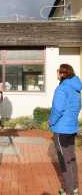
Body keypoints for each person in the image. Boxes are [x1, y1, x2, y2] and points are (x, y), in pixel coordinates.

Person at [49, 64, 82, 195]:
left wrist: (51, 121)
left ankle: (69, 191)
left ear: (63, 73)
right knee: (71, 159)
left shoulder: (61, 89)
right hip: (71, 128)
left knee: (64, 162)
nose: (56, 74)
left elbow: (58, 109)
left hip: (61, 130)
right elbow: (77, 108)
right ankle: (73, 187)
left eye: (58, 72)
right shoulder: (76, 89)